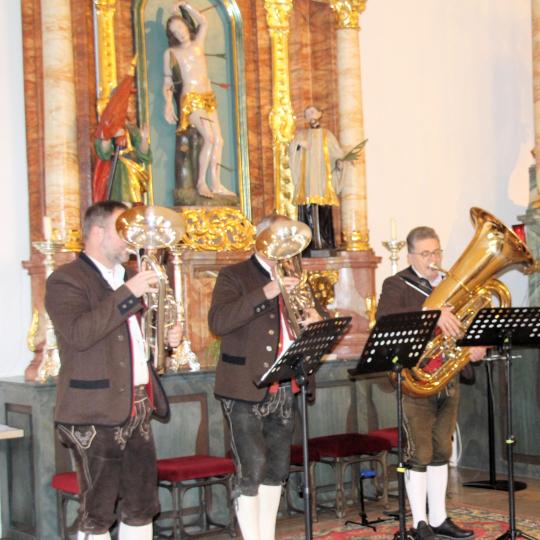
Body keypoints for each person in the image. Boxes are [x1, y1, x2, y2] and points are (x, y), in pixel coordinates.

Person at [46, 200, 183, 540]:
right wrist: (127, 294)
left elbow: (135, 340)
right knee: (98, 510)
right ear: (97, 232)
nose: (132, 238)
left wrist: (166, 336)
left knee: (141, 503)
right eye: (124, 230)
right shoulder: (65, 280)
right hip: (94, 410)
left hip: (137, 404)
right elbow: (80, 334)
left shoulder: (129, 278)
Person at [208, 215, 323, 540]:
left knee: (276, 470)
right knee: (252, 469)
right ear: (260, 239)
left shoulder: (295, 274)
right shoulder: (234, 275)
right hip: (245, 387)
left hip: (286, 384)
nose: (285, 246)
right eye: (278, 237)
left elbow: (314, 317)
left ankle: (266, 535)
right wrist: (266, 291)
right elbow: (218, 322)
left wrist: (316, 316)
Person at [376, 226, 483, 540]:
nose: (433, 259)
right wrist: (429, 313)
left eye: (436, 252)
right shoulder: (396, 284)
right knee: (418, 452)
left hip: (447, 377)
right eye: (425, 254)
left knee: (441, 451)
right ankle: (418, 523)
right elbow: (387, 319)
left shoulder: (455, 287)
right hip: (415, 380)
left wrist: (475, 345)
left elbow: (467, 326)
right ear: (410, 256)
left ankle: (439, 518)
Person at [163, 1, 235, 199]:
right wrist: (168, 104)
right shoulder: (171, 53)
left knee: (218, 140)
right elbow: (167, 81)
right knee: (209, 138)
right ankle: (201, 182)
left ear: (186, 26)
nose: (179, 31)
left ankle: (217, 183)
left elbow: (203, 22)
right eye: (174, 30)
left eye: (180, 26)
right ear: (172, 35)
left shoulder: (197, 44)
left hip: (207, 96)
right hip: (191, 98)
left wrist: (186, 6)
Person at [290, 106, 348, 250]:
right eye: (308, 113)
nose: (311, 115)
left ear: (320, 114)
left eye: (314, 112)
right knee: (308, 213)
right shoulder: (301, 135)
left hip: (322, 184)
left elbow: (338, 156)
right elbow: (291, 152)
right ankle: (308, 245)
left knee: (323, 213)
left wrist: (340, 165)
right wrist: (298, 144)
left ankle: (325, 243)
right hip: (307, 184)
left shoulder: (327, 135)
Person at [92, 87, 151, 204]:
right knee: (120, 202)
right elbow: (103, 153)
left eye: (133, 103)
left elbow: (143, 155)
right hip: (116, 173)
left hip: (131, 171)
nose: (132, 107)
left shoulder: (132, 130)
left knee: (132, 203)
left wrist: (144, 139)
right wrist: (109, 135)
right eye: (129, 103)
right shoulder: (107, 126)